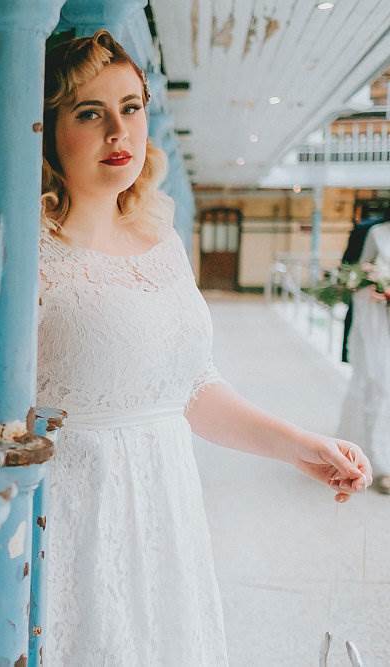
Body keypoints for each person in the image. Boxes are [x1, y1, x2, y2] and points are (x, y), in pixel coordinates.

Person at [36, 29, 372, 666]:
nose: (119, 132)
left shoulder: (160, 241)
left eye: (131, 108)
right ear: (49, 130)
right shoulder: (30, 252)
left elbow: (190, 389)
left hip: (166, 512)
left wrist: (302, 447)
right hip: (77, 514)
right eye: (90, 112)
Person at [336, 221, 390, 494]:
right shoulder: (376, 233)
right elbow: (356, 278)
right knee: (381, 388)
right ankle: (382, 463)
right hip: (380, 325)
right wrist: (377, 291)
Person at [339, 214, 385, 363]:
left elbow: (347, 264)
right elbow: (353, 266)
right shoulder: (371, 230)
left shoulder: (364, 227)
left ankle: (350, 354)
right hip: (375, 297)